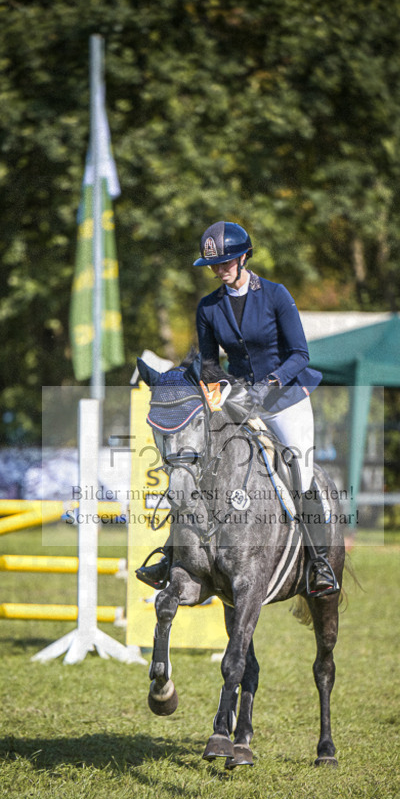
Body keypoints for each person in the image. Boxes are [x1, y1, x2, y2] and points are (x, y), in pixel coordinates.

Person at [136, 220, 339, 597]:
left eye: (226, 262)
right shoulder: (209, 307)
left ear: (244, 257)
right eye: (214, 265)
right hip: (238, 398)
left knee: (299, 471)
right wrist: (218, 389)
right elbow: (209, 364)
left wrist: (270, 383)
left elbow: (300, 354)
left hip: (285, 399)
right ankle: (172, 555)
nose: (219, 270)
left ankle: (319, 562)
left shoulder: (276, 295)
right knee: (197, 465)